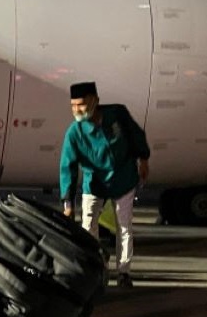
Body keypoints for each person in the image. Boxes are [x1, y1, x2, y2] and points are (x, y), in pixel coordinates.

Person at [58, 82, 150, 288]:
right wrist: (68, 203)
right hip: (94, 183)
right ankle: (94, 268)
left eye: (81, 104)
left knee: (124, 226)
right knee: (88, 226)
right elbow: (68, 168)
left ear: (95, 101)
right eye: (73, 106)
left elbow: (136, 135)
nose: (77, 110)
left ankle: (124, 272)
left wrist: (143, 159)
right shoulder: (74, 133)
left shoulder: (117, 114)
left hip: (123, 179)